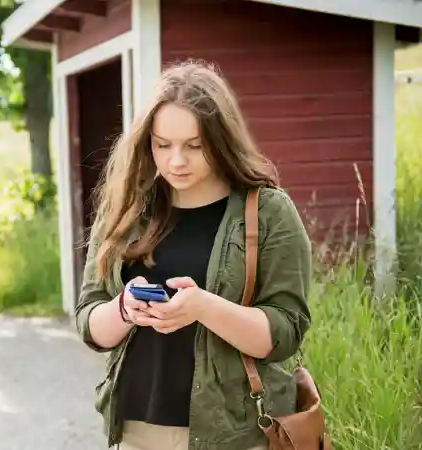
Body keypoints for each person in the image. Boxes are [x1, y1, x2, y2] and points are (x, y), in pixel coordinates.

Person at [75, 60, 313, 450]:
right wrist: (124, 309)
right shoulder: (126, 207)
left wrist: (204, 308)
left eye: (194, 146)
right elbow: (89, 321)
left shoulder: (267, 211)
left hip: (237, 434)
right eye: (162, 145)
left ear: (220, 140)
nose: (176, 161)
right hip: (136, 430)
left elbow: (286, 332)